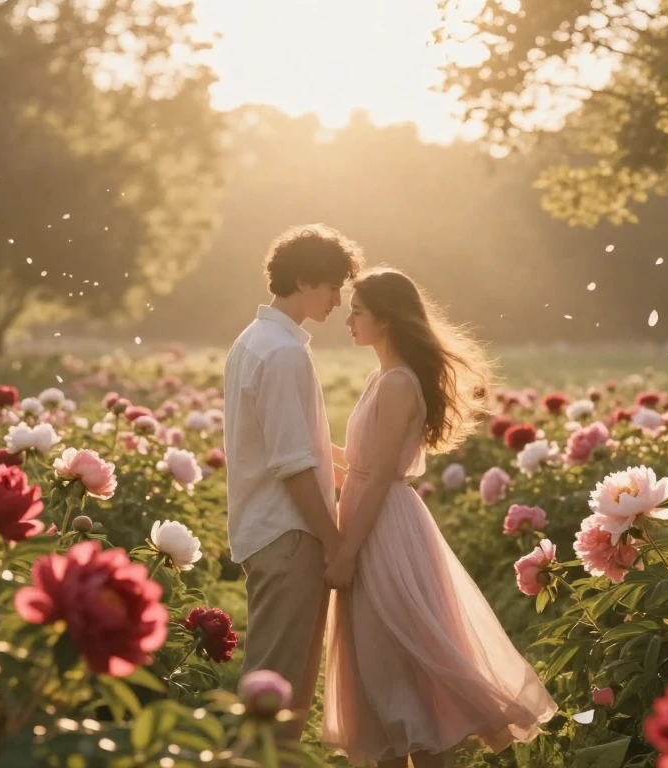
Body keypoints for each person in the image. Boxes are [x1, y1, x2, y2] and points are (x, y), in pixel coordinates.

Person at [322, 267, 558, 767]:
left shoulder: (398, 383)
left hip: (382, 526)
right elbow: (363, 465)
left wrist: (347, 553)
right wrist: (314, 447)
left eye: (358, 311)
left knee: (402, 657)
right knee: (379, 661)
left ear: (385, 319)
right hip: (372, 514)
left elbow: (380, 476)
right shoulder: (380, 377)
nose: (348, 320)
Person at [222, 224, 364, 741]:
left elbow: (289, 443)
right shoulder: (281, 352)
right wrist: (335, 543)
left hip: (271, 529)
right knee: (277, 696)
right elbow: (291, 462)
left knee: (283, 691)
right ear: (303, 280)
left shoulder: (255, 341)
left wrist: (358, 464)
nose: (338, 300)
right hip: (290, 533)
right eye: (332, 286)